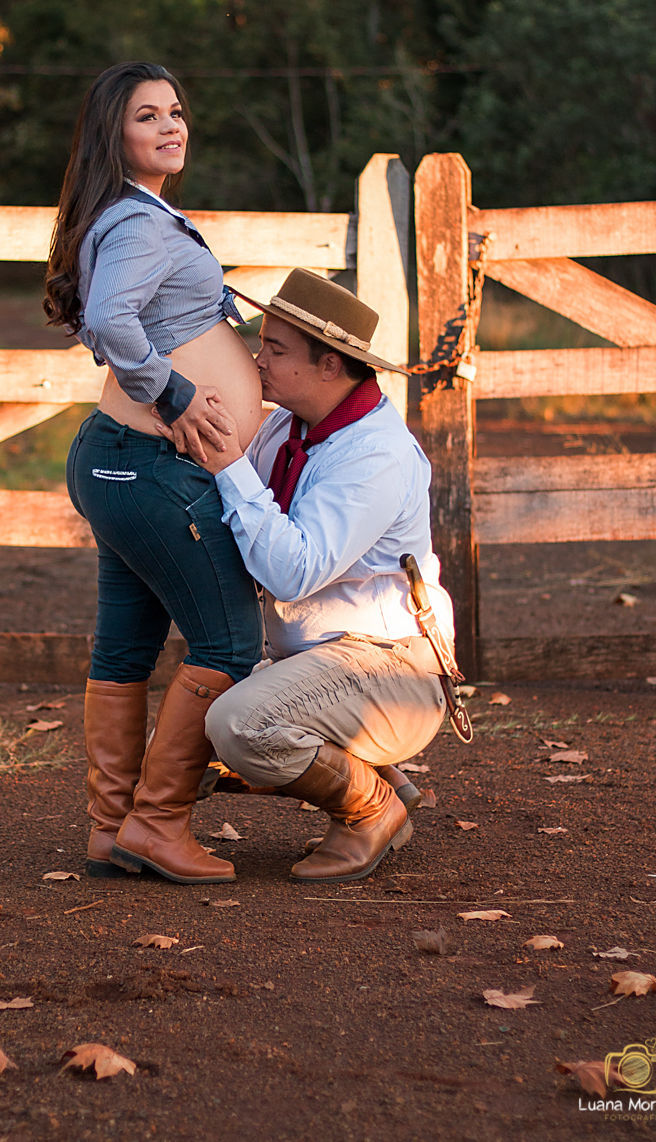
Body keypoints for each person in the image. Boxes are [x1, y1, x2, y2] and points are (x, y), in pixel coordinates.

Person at [44, 61, 265, 886]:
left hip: (122, 463)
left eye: (177, 112)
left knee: (128, 646)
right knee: (229, 642)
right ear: (116, 134)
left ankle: (112, 829)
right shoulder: (137, 223)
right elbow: (111, 320)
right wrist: (176, 393)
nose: (172, 126)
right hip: (145, 465)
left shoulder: (138, 213)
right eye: (149, 116)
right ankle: (158, 823)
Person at [160, 267, 455, 883]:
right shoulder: (288, 427)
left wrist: (230, 464)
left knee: (238, 724)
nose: (256, 362)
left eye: (274, 350)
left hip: (391, 668)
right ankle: (379, 778)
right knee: (176, 717)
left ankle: (373, 808)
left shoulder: (375, 455)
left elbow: (293, 572)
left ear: (329, 366)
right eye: (260, 343)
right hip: (314, 662)